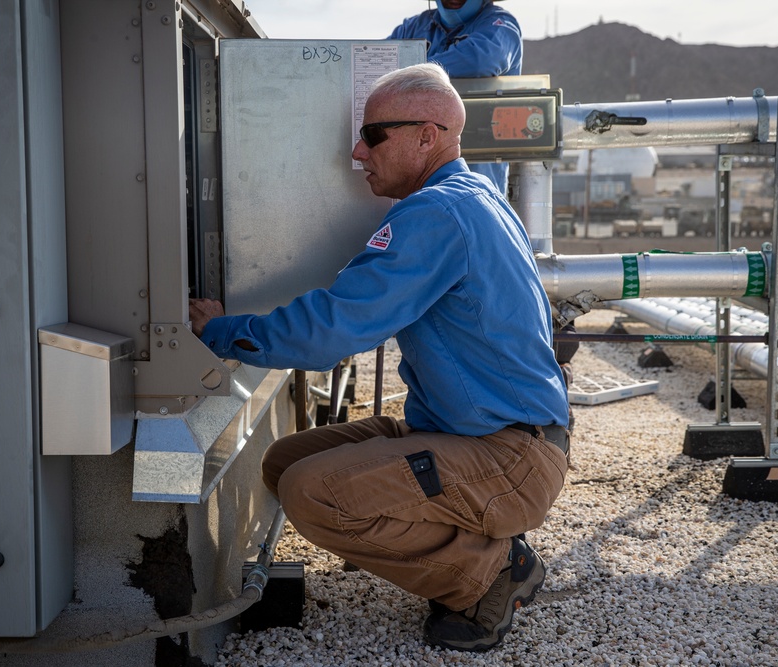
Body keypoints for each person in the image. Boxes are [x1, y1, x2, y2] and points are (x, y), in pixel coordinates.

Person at [188, 63, 570, 653]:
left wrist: (221, 331)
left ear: (428, 134)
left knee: (312, 493)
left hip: (506, 454)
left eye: (374, 135)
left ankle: (490, 574)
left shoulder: (436, 213)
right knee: (284, 462)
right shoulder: (475, 198)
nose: (358, 151)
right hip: (478, 435)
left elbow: (337, 327)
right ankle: (481, 542)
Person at [389, 0, 523, 194]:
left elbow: (481, 60)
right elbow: (378, 61)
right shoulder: (412, 27)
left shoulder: (501, 24)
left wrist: (409, 70)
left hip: (478, 178)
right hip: (415, 178)